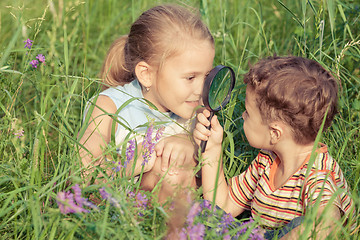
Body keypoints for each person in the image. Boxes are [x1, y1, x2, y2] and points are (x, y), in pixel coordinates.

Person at [193, 56, 355, 239]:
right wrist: (212, 149)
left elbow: (327, 224)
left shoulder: (318, 174)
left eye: (247, 112)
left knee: (304, 224)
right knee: (200, 212)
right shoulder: (266, 160)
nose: (243, 117)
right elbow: (222, 205)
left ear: (275, 133)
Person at [78, 4, 215, 203]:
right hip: (118, 217)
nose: (201, 89)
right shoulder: (108, 108)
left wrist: (190, 149)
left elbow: (209, 180)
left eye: (208, 75)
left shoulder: (200, 112)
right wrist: (134, 164)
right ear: (146, 74)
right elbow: (83, 174)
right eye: (190, 78)